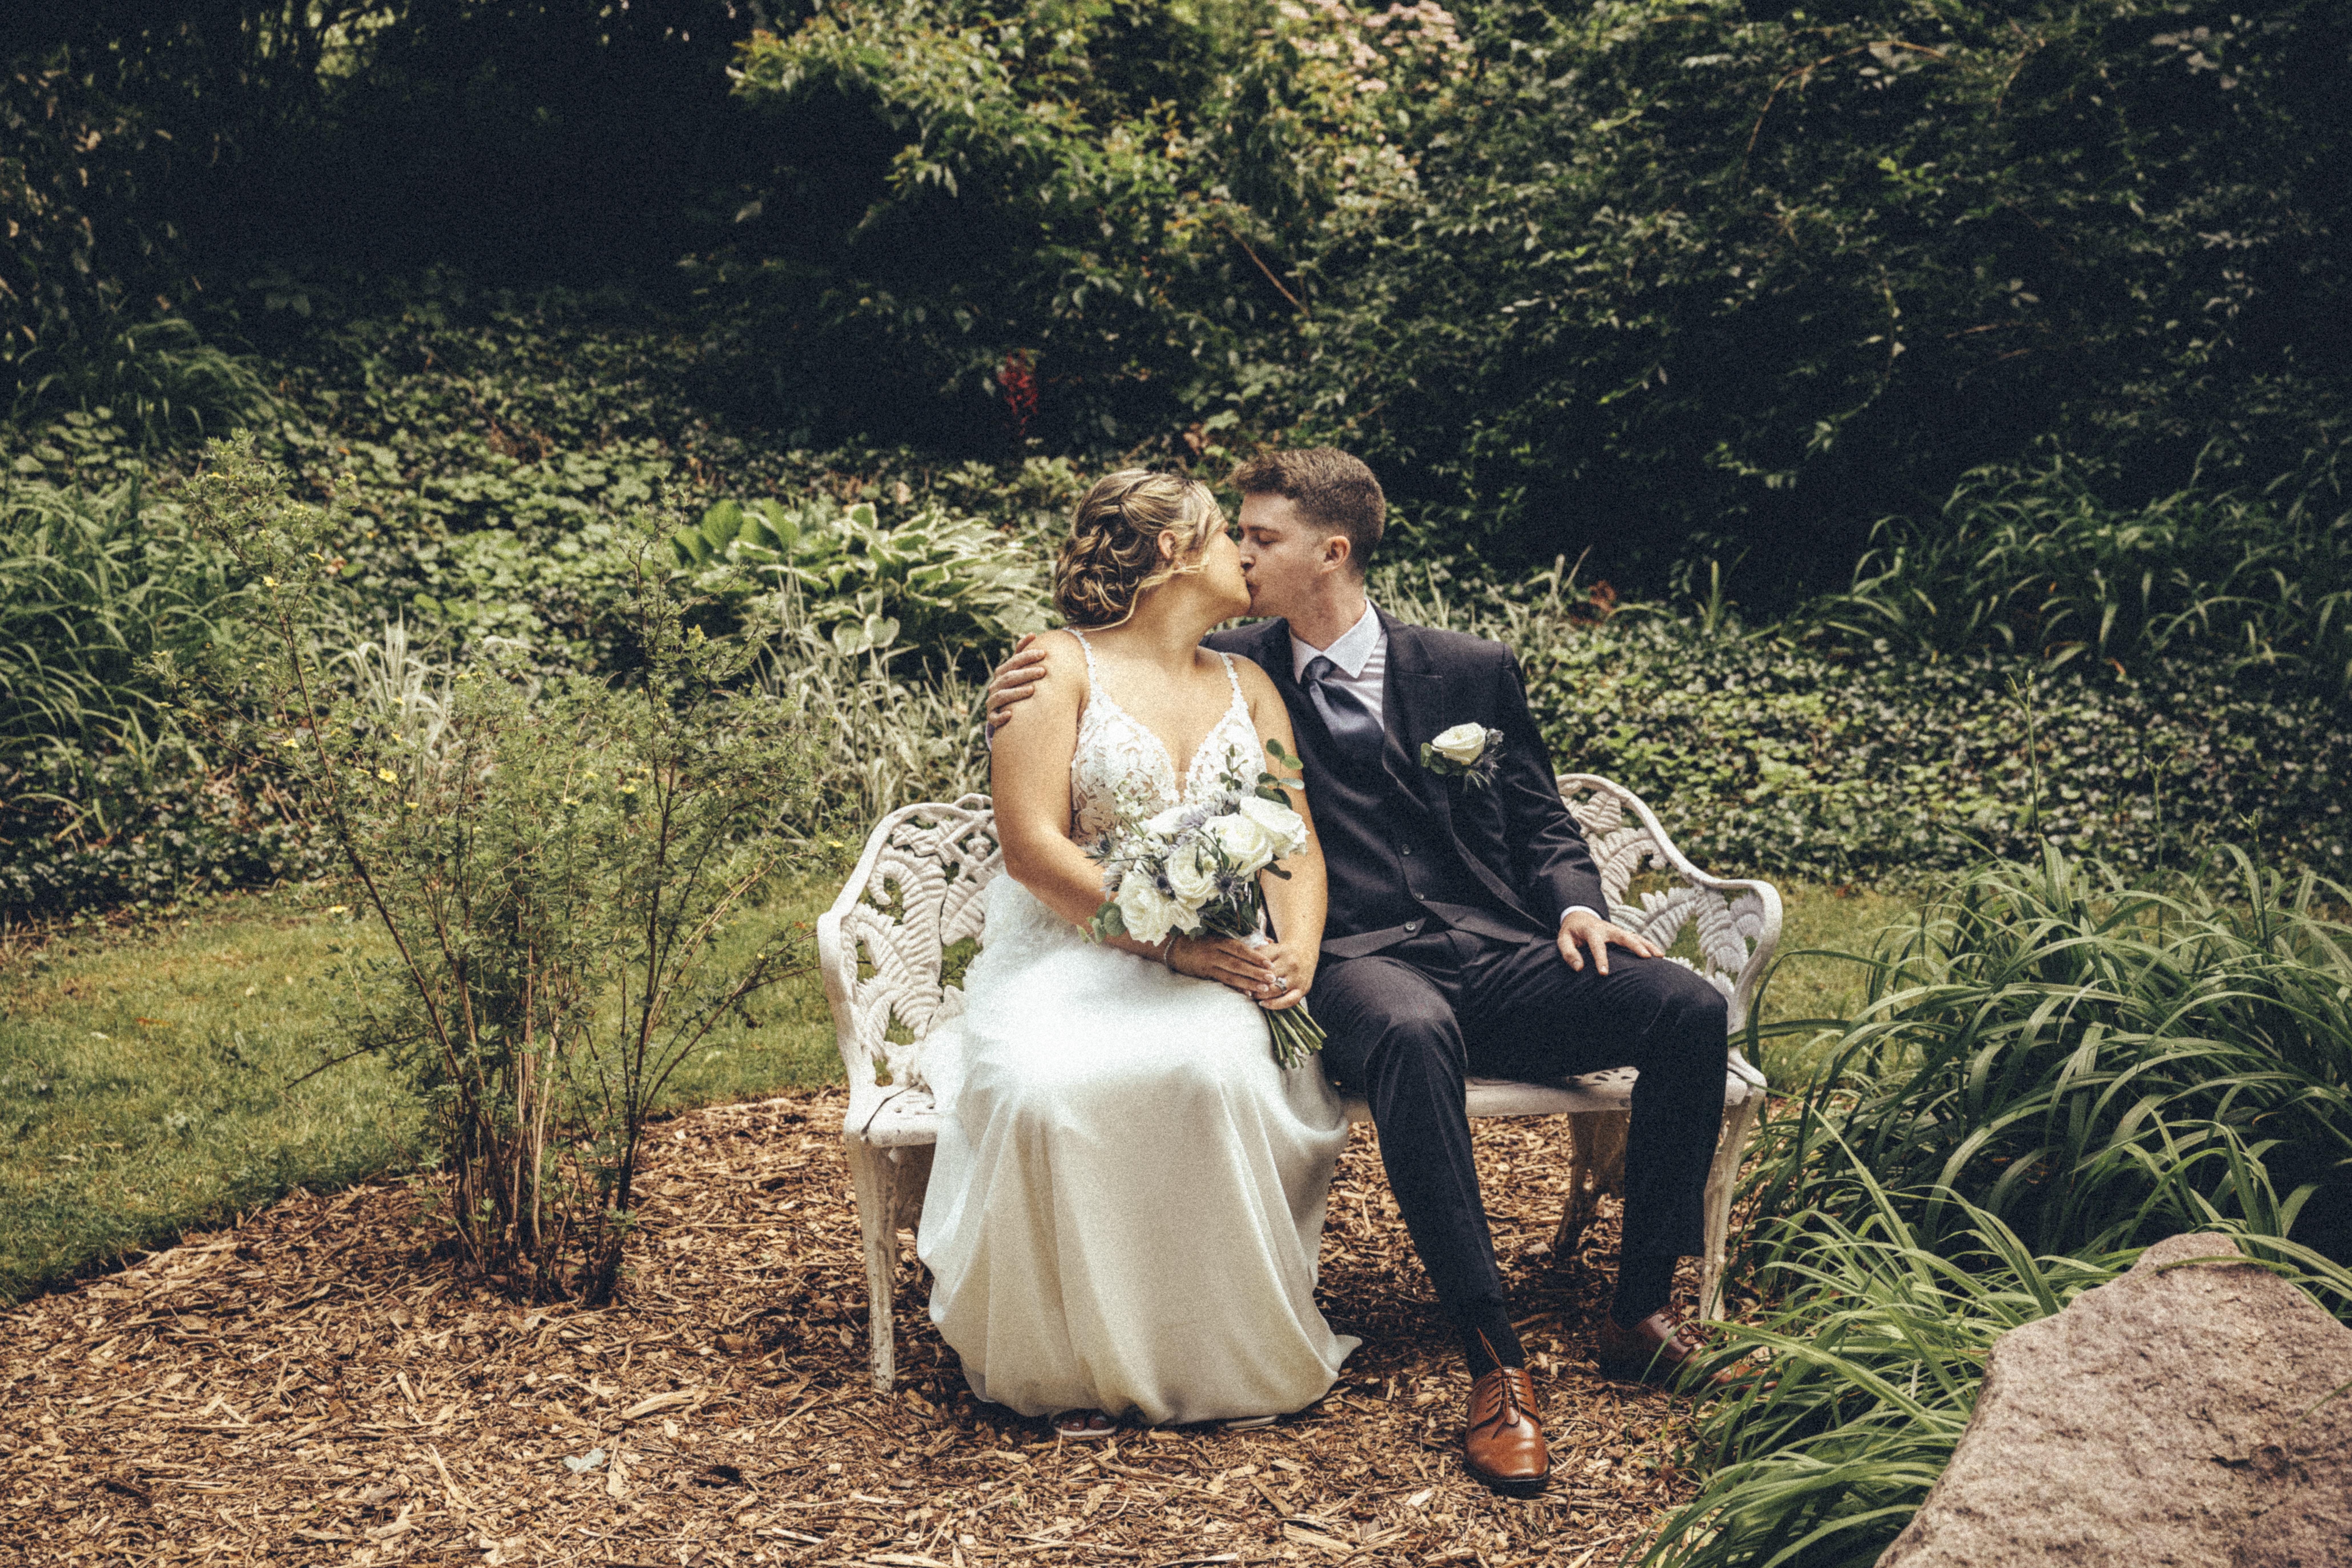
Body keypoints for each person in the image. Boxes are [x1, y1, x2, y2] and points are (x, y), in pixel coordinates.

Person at [985, 448, 1731, 1495]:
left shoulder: (1468, 668)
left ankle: (1640, 1308)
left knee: (1687, 1010)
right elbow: (1111, 662)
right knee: (1414, 1031)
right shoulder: (1234, 657)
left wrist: (1576, 907)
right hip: (1349, 964)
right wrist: (1019, 669)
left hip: (1493, 948)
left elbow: (1539, 816)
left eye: (1262, 538)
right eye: (1232, 536)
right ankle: (1495, 1364)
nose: (1240, 552)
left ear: (1332, 551)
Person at [917, 469, 1357, 1440]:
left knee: (1210, 1071)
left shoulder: (1248, 684)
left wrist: (1299, 952)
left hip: (1222, 959)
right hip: (1075, 947)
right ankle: (1070, 1357)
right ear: (1170, 552)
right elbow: (1033, 849)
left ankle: (1214, 1353)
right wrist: (1171, 947)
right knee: (1039, 1089)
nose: (1243, 556)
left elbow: (1289, 836)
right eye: (1222, 537)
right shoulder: (1054, 668)